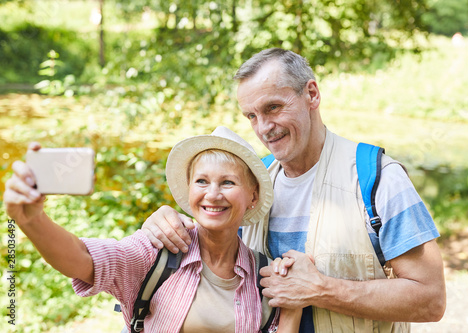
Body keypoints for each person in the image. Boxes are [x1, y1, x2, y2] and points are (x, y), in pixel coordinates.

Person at [141, 48, 447, 332]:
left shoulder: (378, 177)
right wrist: (163, 226)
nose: (263, 128)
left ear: (311, 94)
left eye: (272, 108)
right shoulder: (249, 183)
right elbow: (210, 258)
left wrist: (321, 289)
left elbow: (430, 299)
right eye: (251, 116)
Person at [3, 127, 302, 332]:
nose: (212, 194)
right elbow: (84, 261)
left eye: (228, 182)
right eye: (201, 181)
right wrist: (32, 220)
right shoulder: (157, 251)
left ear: (252, 197)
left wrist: (292, 305)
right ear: (189, 190)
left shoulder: (261, 275)